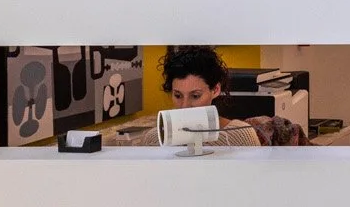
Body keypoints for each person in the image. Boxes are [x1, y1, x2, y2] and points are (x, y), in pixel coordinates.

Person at [109, 46, 307, 147]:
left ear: (215, 90)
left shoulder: (240, 137)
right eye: (178, 95)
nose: (185, 106)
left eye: (195, 96)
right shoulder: (154, 140)